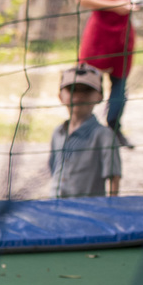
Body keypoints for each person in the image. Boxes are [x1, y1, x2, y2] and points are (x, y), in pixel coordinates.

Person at [77, 0, 142, 149]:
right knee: (90, 84)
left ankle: (115, 129)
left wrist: (138, 4)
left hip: (124, 35)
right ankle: (85, 129)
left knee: (120, 86)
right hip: (99, 34)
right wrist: (116, 5)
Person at [49, 63, 121, 199]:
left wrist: (112, 208)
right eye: (72, 89)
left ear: (99, 96)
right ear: (60, 96)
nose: (78, 96)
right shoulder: (57, 132)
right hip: (56, 208)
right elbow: (53, 168)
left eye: (86, 90)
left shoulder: (104, 135)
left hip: (89, 211)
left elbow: (114, 177)